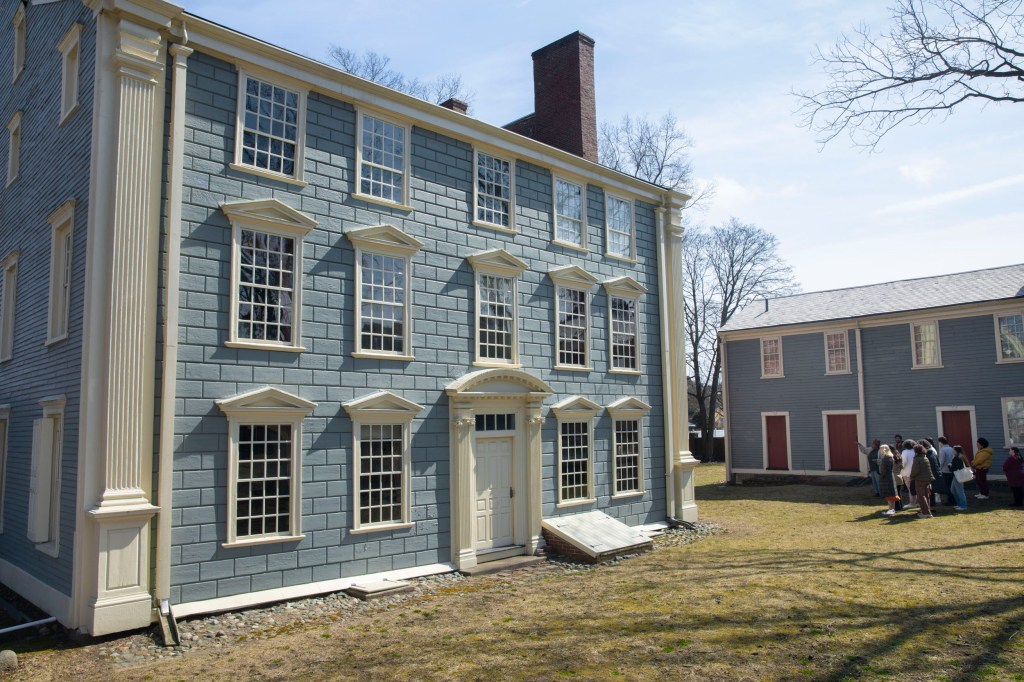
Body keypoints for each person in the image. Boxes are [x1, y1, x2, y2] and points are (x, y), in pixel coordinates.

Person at [909, 443, 935, 518]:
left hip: (920, 479)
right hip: (928, 479)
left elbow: (915, 470)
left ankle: (926, 512)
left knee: (921, 496)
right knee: (927, 495)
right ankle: (927, 510)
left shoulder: (917, 459)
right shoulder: (925, 457)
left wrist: (912, 476)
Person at [877, 444, 900, 516]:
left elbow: (883, 470)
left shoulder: (885, 458)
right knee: (891, 494)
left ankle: (891, 509)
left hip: (886, 478)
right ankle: (891, 509)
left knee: (889, 495)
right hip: (890, 476)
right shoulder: (891, 457)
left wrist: (881, 476)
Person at [948, 445, 970, 511]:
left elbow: (954, 468)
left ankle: (963, 506)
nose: (952, 451)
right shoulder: (961, 456)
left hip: (958, 475)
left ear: (956, 451)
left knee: (960, 491)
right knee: (953, 490)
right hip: (957, 475)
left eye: (953, 450)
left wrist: (950, 466)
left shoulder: (958, 458)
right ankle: (959, 504)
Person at [937, 437, 956, 506]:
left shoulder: (943, 450)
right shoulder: (951, 449)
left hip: (945, 470)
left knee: (947, 487)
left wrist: (939, 468)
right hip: (951, 470)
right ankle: (953, 500)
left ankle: (950, 501)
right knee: (952, 486)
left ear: (941, 442)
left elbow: (941, 462)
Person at [901, 439, 918, 508]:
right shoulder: (915, 451)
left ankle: (912, 503)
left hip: (907, 473)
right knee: (917, 488)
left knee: (910, 489)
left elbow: (903, 463)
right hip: (916, 472)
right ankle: (918, 502)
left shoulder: (905, 452)